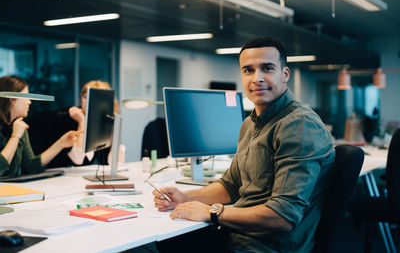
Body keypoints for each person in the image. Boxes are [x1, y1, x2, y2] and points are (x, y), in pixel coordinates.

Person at [153, 37, 336, 252]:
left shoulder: (298, 125)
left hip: (267, 246)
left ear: (285, 74)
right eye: (248, 70)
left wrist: (211, 212)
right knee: (164, 242)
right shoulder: (250, 123)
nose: (257, 78)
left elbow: (283, 217)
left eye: (267, 68)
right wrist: (185, 197)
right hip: (239, 234)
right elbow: (230, 186)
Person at [0, 75, 79, 177]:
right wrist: (15, 136)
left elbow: (31, 166)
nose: (29, 102)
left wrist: (61, 143)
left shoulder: (19, 126)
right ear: (12, 99)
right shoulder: (18, 130)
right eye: (26, 97)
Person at [67, 80, 125, 166]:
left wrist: (113, 128)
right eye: (85, 97)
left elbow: (116, 164)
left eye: (93, 98)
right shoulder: (73, 119)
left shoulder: (108, 121)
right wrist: (82, 122)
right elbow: (77, 160)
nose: (87, 101)